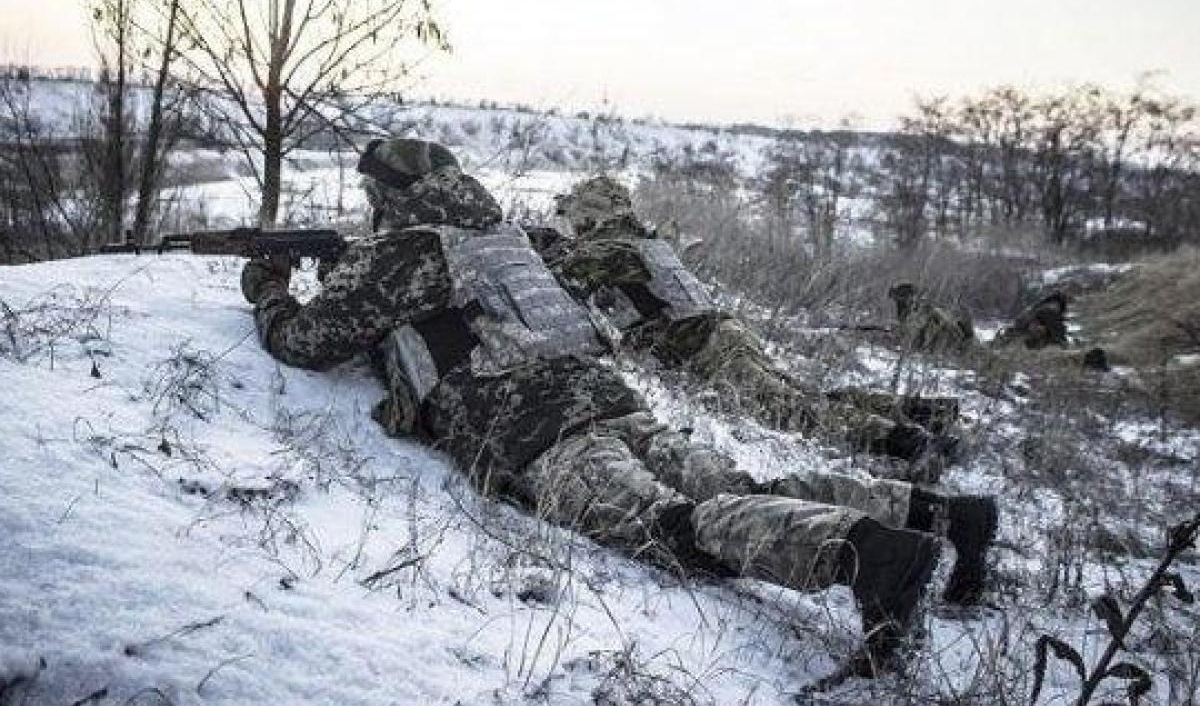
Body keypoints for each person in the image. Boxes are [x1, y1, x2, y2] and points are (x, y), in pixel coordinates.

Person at [240, 138, 997, 674]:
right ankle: (941, 516)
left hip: (536, 428)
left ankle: (868, 557)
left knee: (670, 528)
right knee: (740, 489)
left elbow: (307, 341)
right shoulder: (510, 237)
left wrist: (270, 291)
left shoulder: (401, 252)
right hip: (612, 400)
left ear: (387, 197)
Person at [532, 176, 960, 469]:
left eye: (575, 218)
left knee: (793, 411)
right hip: (721, 333)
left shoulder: (612, 248)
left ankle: (905, 442)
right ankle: (921, 414)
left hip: (705, 347)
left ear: (593, 216)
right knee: (802, 396)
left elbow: (559, 274)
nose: (571, 225)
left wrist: (534, 243)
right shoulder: (646, 240)